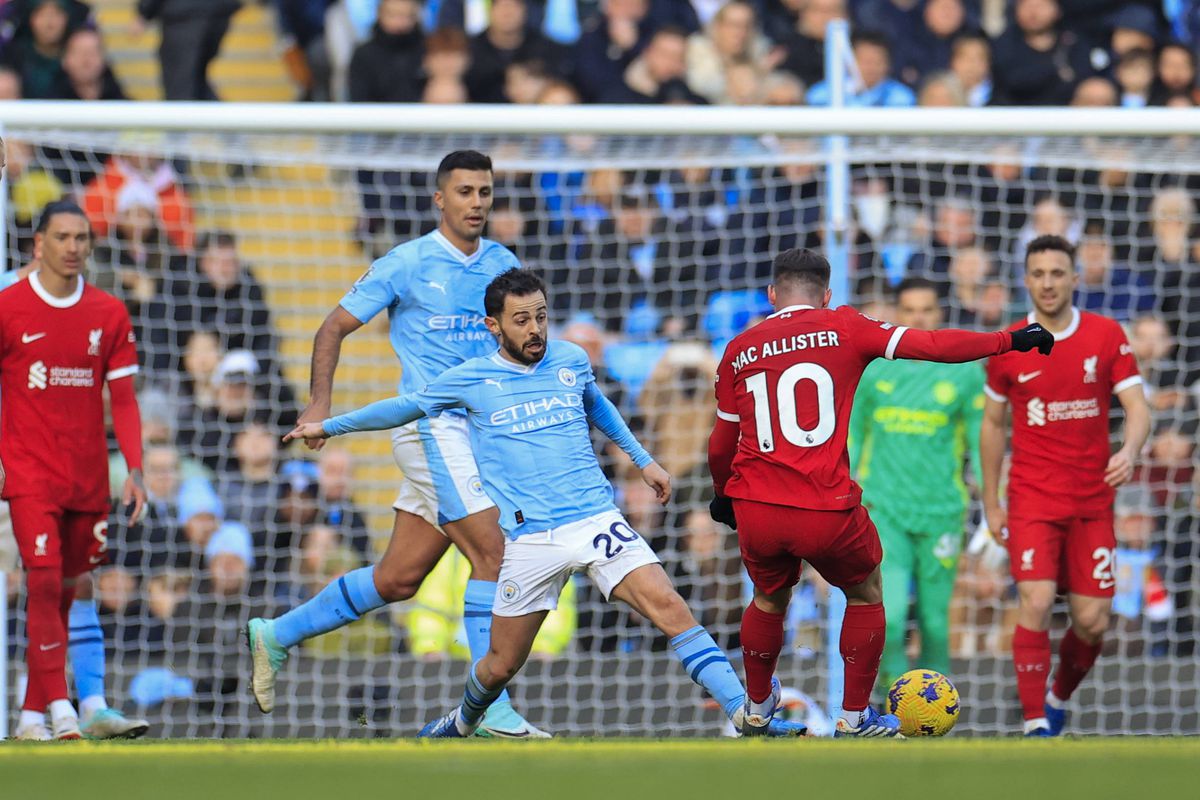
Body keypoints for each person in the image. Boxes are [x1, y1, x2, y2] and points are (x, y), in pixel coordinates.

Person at [284, 268, 809, 739]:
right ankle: (464, 720)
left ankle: (746, 715)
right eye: (521, 321)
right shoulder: (471, 380)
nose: (535, 329)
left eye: (540, 316)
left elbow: (598, 407)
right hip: (532, 539)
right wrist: (329, 425)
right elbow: (403, 407)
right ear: (493, 326)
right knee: (498, 665)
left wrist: (644, 460)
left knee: (670, 607)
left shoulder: (570, 359)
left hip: (596, 520)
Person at [244, 150, 545, 738]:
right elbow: (332, 326)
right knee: (494, 552)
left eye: (484, 192)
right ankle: (490, 708)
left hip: (482, 436)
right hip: (430, 428)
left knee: (398, 578)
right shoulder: (406, 263)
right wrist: (320, 404)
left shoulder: (503, 264)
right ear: (440, 199)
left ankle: (275, 634)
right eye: (464, 192)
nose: (476, 203)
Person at [706, 247, 1055, 737]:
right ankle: (853, 717)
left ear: (771, 295)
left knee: (768, 598)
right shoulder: (844, 326)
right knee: (866, 592)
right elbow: (932, 346)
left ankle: (758, 708)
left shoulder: (738, 349)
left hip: (759, 505)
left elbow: (721, 443)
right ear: (827, 295)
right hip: (823, 504)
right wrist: (1008, 339)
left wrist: (722, 495)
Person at [980, 234, 1151, 737]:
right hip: (1031, 498)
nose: (1048, 283)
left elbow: (1138, 408)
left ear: (1075, 278)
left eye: (1057, 273)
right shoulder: (1009, 344)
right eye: (1038, 274)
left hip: (1092, 502)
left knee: (1093, 621)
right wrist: (991, 502)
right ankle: (1035, 723)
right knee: (1034, 601)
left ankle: (1056, 698)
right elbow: (992, 425)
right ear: (1026, 280)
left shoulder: (1105, 334)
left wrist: (1130, 450)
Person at [0, 200, 149, 740]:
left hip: (86, 475)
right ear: (38, 243)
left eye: (81, 238)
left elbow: (124, 400)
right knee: (42, 579)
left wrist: (135, 469)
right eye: (62, 237)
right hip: (27, 471)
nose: (72, 247)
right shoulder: (8, 305)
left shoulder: (108, 313)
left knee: (71, 587)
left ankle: (33, 715)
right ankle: (64, 708)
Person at [848, 277, 985, 691]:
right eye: (910, 310)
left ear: (939, 313)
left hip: (942, 511)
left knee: (934, 622)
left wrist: (994, 504)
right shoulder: (873, 369)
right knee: (888, 618)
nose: (919, 318)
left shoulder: (965, 371)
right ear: (897, 314)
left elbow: (982, 445)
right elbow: (852, 439)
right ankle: (890, 699)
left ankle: (936, 707)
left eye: (927, 310)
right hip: (884, 509)